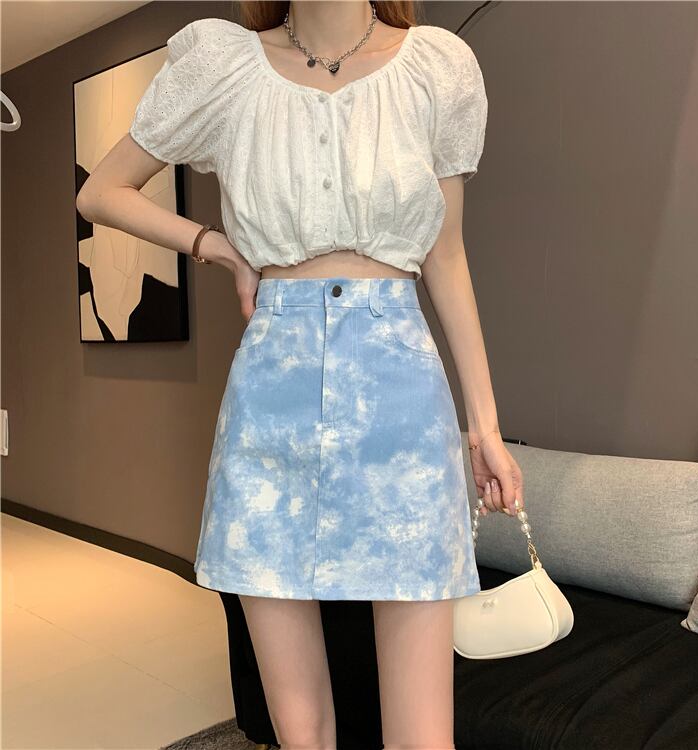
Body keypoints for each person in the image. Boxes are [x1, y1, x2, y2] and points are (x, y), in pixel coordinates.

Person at [76, 2, 524, 748]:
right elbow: (100, 192)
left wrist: (486, 427)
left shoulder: (436, 67)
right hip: (270, 399)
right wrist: (217, 246)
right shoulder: (224, 67)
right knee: (300, 733)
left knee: (422, 738)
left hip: (400, 405)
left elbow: (446, 254)